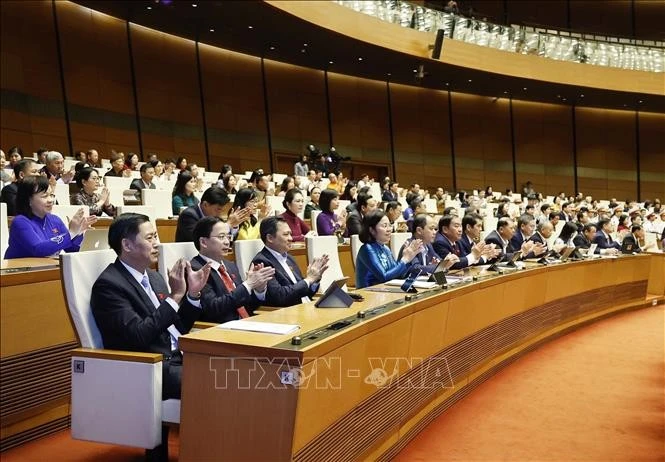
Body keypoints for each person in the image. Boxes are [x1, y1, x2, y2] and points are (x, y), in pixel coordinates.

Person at [91, 214, 210, 459]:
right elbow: (138, 335)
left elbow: (177, 327)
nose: (157, 243)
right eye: (150, 237)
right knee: (215, 382)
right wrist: (176, 297)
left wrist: (192, 296)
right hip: (150, 367)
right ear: (127, 245)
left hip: (178, 356)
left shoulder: (153, 276)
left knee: (234, 368)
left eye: (156, 236)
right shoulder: (109, 285)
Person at [190, 217, 275, 322]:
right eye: (221, 237)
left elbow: (246, 306)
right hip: (221, 330)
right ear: (203, 242)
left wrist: (258, 290)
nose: (227, 242)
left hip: (247, 323)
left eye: (228, 236)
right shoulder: (196, 269)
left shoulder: (230, 266)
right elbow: (213, 308)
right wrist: (248, 285)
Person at [4, 176, 96, 258]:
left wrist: (78, 232)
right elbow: (38, 249)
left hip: (45, 270)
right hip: (19, 273)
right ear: (28, 200)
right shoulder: (20, 222)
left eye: (51, 195)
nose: (51, 200)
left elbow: (72, 250)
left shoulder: (55, 220)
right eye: (44, 196)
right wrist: (71, 232)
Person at [251, 216, 329, 307]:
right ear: (270, 238)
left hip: (306, 307)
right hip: (288, 314)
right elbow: (279, 296)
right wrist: (308, 280)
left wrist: (315, 280)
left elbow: (304, 291)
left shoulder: (289, 258)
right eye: (286, 234)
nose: (291, 238)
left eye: (290, 234)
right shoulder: (261, 262)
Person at [355, 209, 423, 289]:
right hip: (367, 295)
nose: (389, 229)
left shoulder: (385, 248)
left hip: (383, 292)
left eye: (389, 225)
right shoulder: (367, 249)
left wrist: (408, 259)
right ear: (372, 230)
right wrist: (404, 259)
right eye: (384, 226)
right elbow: (384, 277)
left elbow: (398, 275)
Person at [175, 186, 247, 242]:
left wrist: (234, 226)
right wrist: (227, 225)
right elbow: (201, 240)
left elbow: (228, 242)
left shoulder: (217, 218)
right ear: (205, 204)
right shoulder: (188, 215)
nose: (220, 213)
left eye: (222, 209)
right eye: (218, 209)